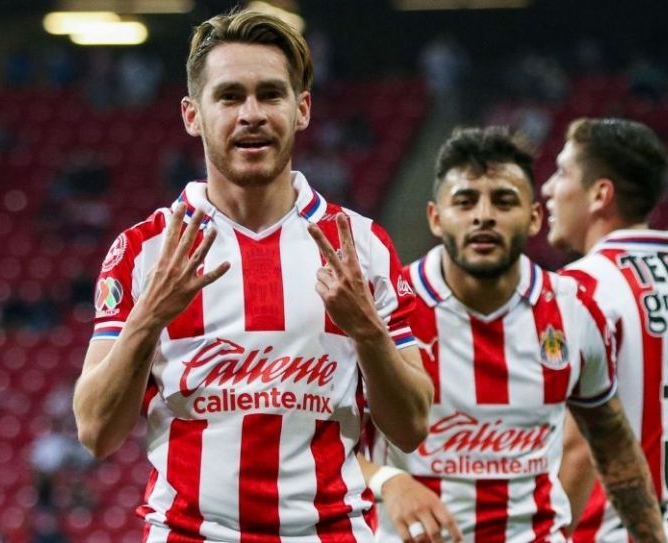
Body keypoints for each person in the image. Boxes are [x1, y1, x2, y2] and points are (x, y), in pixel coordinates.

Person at [72, 10, 433, 542]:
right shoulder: (144, 251)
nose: (252, 114)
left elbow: (413, 427)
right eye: (229, 96)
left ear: (301, 108)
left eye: (270, 94)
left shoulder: (362, 246)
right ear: (192, 115)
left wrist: (366, 331)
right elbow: (96, 433)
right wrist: (148, 317)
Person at [361, 127, 665, 542]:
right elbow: (313, 440)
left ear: (535, 217)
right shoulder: (386, 309)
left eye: (504, 201)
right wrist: (389, 482)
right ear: (435, 217)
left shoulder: (574, 310)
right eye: (465, 201)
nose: (484, 215)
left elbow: (614, 450)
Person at [543, 118, 668, 542]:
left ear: (600, 194)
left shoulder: (578, 290)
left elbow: (578, 448)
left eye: (561, 173)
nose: (547, 189)